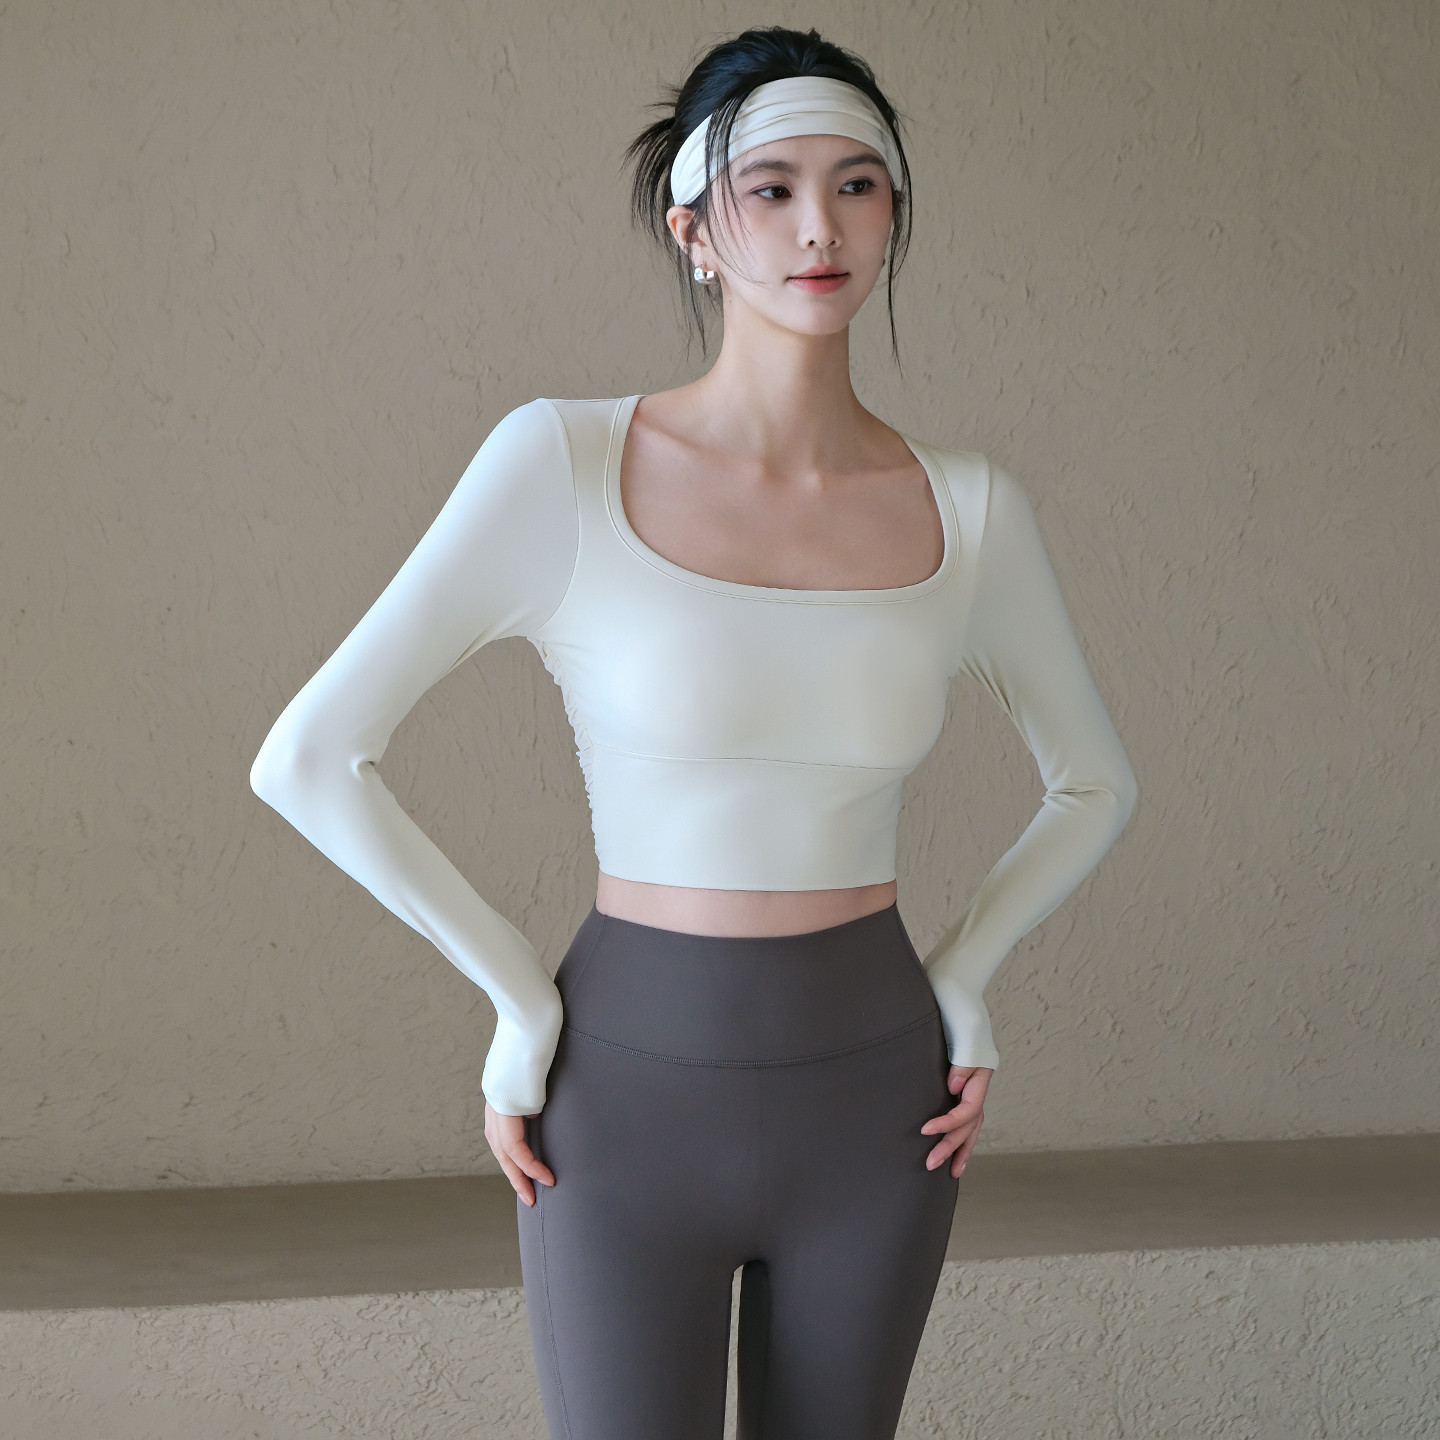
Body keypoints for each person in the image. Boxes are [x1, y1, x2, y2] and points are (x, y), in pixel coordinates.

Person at [249, 25, 1138, 1440]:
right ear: (694, 229)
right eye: (770, 188)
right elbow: (308, 758)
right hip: (622, 1100)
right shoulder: (563, 462)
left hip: (880, 1101)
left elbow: (1094, 784)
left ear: (892, 212)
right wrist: (517, 1003)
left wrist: (967, 973)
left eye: (857, 185)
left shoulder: (972, 510)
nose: (819, 226)